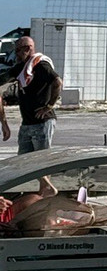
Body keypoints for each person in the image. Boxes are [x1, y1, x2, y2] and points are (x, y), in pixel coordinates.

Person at [0, 36, 61, 197]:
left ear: (27, 49)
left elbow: (57, 82)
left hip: (42, 121)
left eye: (19, 50)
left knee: (41, 158)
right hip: (27, 122)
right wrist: (4, 123)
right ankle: (45, 188)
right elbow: (3, 80)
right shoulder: (22, 67)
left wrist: (49, 106)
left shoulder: (41, 65)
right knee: (24, 159)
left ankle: (46, 189)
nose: (17, 54)